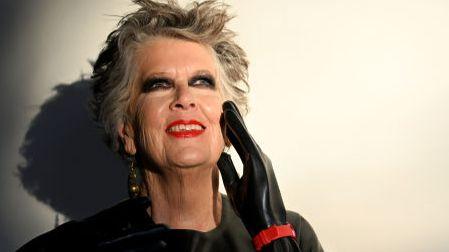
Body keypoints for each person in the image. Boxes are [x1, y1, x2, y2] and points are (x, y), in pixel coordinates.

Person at [18, 1, 323, 251]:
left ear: (230, 124)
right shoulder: (65, 249)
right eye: (159, 85)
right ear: (128, 131)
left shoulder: (291, 234)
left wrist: (272, 238)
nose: (184, 98)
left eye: (202, 82)